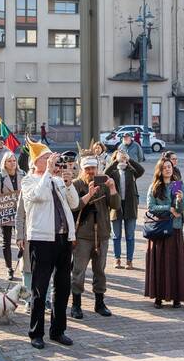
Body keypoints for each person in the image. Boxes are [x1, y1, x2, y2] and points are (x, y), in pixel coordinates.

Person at [21, 140, 79, 349]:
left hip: (64, 238)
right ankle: (36, 332)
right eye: (45, 158)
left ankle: (58, 330)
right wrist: (48, 173)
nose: (50, 161)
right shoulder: (29, 180)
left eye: (50, 158)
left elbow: (74, 204)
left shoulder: (55, 180)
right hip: (42, 240)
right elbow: (38, 195)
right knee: (40, 287)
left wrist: (68, 181)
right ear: (36, 162)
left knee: (63, 287)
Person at [70, 155, 119, 318]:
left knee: (100, 271)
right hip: (83, 235)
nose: (91, 172)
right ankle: (76, 304)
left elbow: (116, 206)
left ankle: (100, 302)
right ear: (82, 170)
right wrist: (89, 194)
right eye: (87, 169)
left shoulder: (104, 184)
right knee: (79, 271)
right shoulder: (76, 185)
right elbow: (74, 207)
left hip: (102, 235)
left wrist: (112, 188)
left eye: (93, 168)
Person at [145, 157, 184, 308]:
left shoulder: (177, 185)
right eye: (164, 167)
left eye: (169, 167)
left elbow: (181, 210)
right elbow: (151, 207)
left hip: (174, 228)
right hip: (159, 228)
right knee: (160, 264)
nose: (168, 169)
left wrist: (180, 201)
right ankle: (158, 297)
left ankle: (176, 297)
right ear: (160, 170)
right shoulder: (155, 186)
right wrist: (168, 209)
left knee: (175, 264)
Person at [105, 147, 144, 270]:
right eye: (120, 156)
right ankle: (117, 259)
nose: (122, 158)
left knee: (130, 235)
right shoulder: (112, 172)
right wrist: (116, 161)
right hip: (115, 206)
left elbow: (141, 170)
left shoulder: (131, 171)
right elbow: (105, 173)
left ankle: (129, 260)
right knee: (116, 235)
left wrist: (130, 160)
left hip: (130, 206)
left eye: (124, 156)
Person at [0, 152, 23, 280]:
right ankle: (9, 268)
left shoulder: (23, 175)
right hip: (6, 213)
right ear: (4, 163)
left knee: (22, 240)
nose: (12, 163)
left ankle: (22, 266)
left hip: (21, 214)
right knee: (6, 242)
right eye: (9, 161)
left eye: (14, 161)